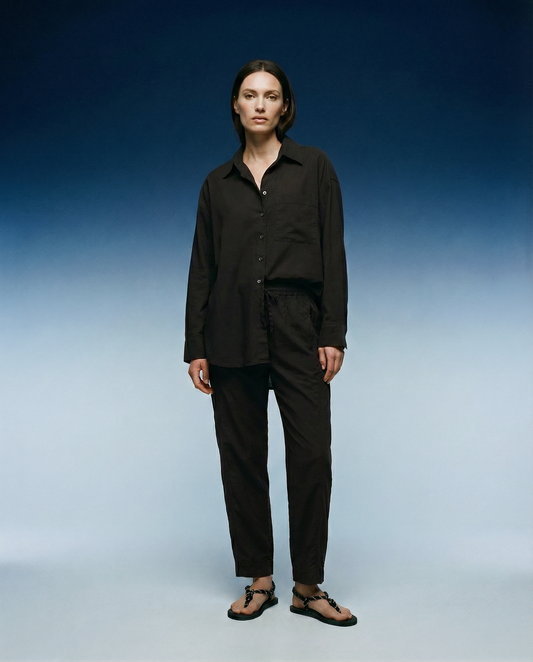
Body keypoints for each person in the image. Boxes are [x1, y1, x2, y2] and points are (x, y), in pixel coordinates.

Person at [184, 59, 356, 627]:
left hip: (298, 324)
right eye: (250, 94)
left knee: (311, 453)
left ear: (285, 107)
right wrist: (195, 344)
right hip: (230, 326)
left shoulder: (315, 169)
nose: (260, 104)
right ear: (236, 106)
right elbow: (202, 268)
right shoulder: (217, 184)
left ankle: (308, 586)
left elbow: (333, 253)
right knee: (241, 456)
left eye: (271, 95)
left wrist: (332, 331)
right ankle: (259, 578)